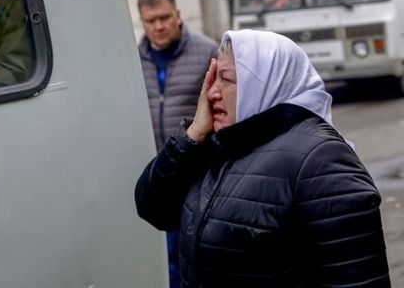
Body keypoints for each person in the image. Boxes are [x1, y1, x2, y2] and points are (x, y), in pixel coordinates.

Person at [134, 29, 391, 288]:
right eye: (212, 79)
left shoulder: (321, 159)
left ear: (264, 83)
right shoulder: (219, 145)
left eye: (227, 79)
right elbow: (153, 209)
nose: (212, 93)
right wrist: (190, 136)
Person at [136, 0, 218, 288]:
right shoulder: (134, 60)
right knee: (168, 254)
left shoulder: (208, 51)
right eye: (150, 21)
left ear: (178, 15)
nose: (158, 26)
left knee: (197, 250)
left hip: (200, 173)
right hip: (161, 173)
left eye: (164, 18)